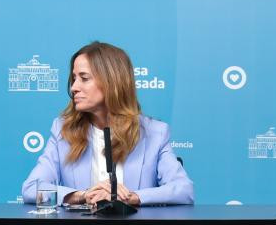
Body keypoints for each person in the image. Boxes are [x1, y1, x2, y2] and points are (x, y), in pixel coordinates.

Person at [22, 41, 193, 206]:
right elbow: (31, 188)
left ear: (112, 83)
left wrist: (131, 197)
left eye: (84, 78)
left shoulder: (155, 133)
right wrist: (83, 195)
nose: (74, 87)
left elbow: (184, 190)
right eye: (74, 79)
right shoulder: (63, 130)